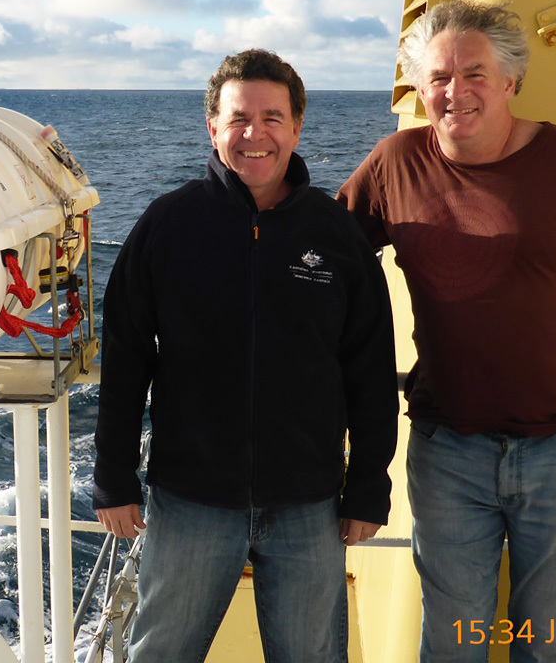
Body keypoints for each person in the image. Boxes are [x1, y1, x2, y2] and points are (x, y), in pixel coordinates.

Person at [337, 0, 556, 662]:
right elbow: (317, 261)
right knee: (453, 645)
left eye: (474, 74)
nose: (456, 92)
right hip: (447, 448)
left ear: (510, 80)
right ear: (419, 88)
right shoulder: (395, 163)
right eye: (439, 78)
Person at [93, 48, 399, 663]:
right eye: (238, 118)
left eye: (272, 117)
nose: (254, 134)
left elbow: (369, 366)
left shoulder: (334, 234)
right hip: (189, 502)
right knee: (161, 653)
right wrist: (114, 477)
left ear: (297, 126)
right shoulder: (167, 224)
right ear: (212, 127)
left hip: (310, 504)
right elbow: (126, 357)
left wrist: (367, 485)